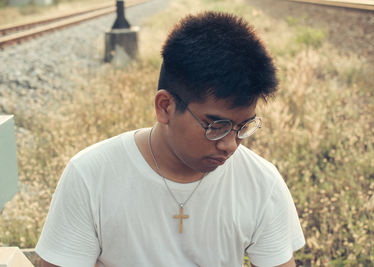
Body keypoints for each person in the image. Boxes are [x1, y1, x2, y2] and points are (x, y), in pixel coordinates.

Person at [36, 11, 305, 267]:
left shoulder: (261, 182)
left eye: (243, 126)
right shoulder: (90, 175)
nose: (230, 145)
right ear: (165, 106)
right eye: (216, 125)